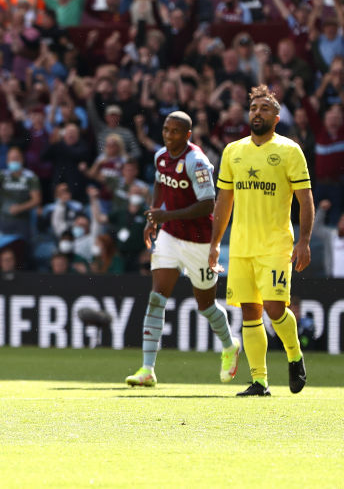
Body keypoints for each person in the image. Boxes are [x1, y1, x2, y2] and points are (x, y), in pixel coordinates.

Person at [209, 85, 314, 397]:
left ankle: (294, 354)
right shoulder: (233, 151)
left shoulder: (290, 151)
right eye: (254, 108)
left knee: (274, 308)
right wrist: (215, 243)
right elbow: (223, 201)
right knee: (249, 312)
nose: (257, 113)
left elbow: (305, 199)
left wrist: (304, 241)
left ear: (277, 118)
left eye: (264, 109)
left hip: (276, 244)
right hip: (241, 246)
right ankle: (260, 382)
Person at [125, 112, 240, 388]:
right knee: (156, 298)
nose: (168, 135)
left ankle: (229, 346)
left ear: (187, 134)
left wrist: (167, 215)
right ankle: (147, 369)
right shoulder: (161, 156)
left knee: (206, 305)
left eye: (175, 131)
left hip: (200, 241)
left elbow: (207, 204)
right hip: (170, 236)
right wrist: (155, 217)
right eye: (166, 129)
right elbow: (160, 184)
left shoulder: (196, 161)